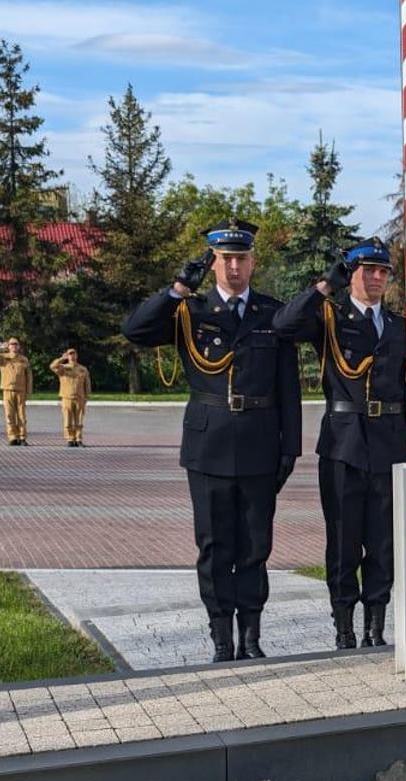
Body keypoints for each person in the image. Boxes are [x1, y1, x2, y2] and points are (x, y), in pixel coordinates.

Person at [122, 218, 302, 662]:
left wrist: (290, 446)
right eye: (226, 259)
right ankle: (222, 637)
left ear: (253, 262)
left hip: (261, 442)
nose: (234, 267)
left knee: (256, 545)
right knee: (215, 545)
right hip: (208, 446)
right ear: (213, 262)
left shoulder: (272, 314)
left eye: (242, 258)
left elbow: (288, 388)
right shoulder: (190, 311)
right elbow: (135, 331)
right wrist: (178, 289)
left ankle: (252, 636)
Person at [274, 237, 406, 650]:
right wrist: (323, 288)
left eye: (382, 271)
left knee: (384, 543)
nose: (376, 278)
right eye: (367, 270)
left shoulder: (401, 326)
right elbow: (283, 325)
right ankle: (345, 625)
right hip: (343, 445)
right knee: (344, 540)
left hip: (389, 445)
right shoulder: (329, 318)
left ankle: (376, 625)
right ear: (351, 274)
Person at [0, 337, 32, 446]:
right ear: (8, 346)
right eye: (11, 344)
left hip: (20, 390)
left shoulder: (23, 359)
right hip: (7, 390)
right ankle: (12, 437)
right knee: (9, 415)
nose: (14, 346)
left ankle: (22, 437)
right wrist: (0, 348)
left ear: (19, 346)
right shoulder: (2, 358)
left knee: (21, 416)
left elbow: (28, 377)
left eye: (16, 344)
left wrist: (29, 391)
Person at [49, 348, 92, 447]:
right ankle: (70, 439)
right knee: (68, 420)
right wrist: (61, 359)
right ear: (67, 356)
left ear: (77, 356)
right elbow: (52, 366)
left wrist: (87, 396)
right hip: (67, 397)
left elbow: (87, 383)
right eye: (69, 354)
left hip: (79, 397)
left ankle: (78, 439)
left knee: (79, 420)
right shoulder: (63, 368)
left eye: (73, 354)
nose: (72, 356)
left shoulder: (82, 369)